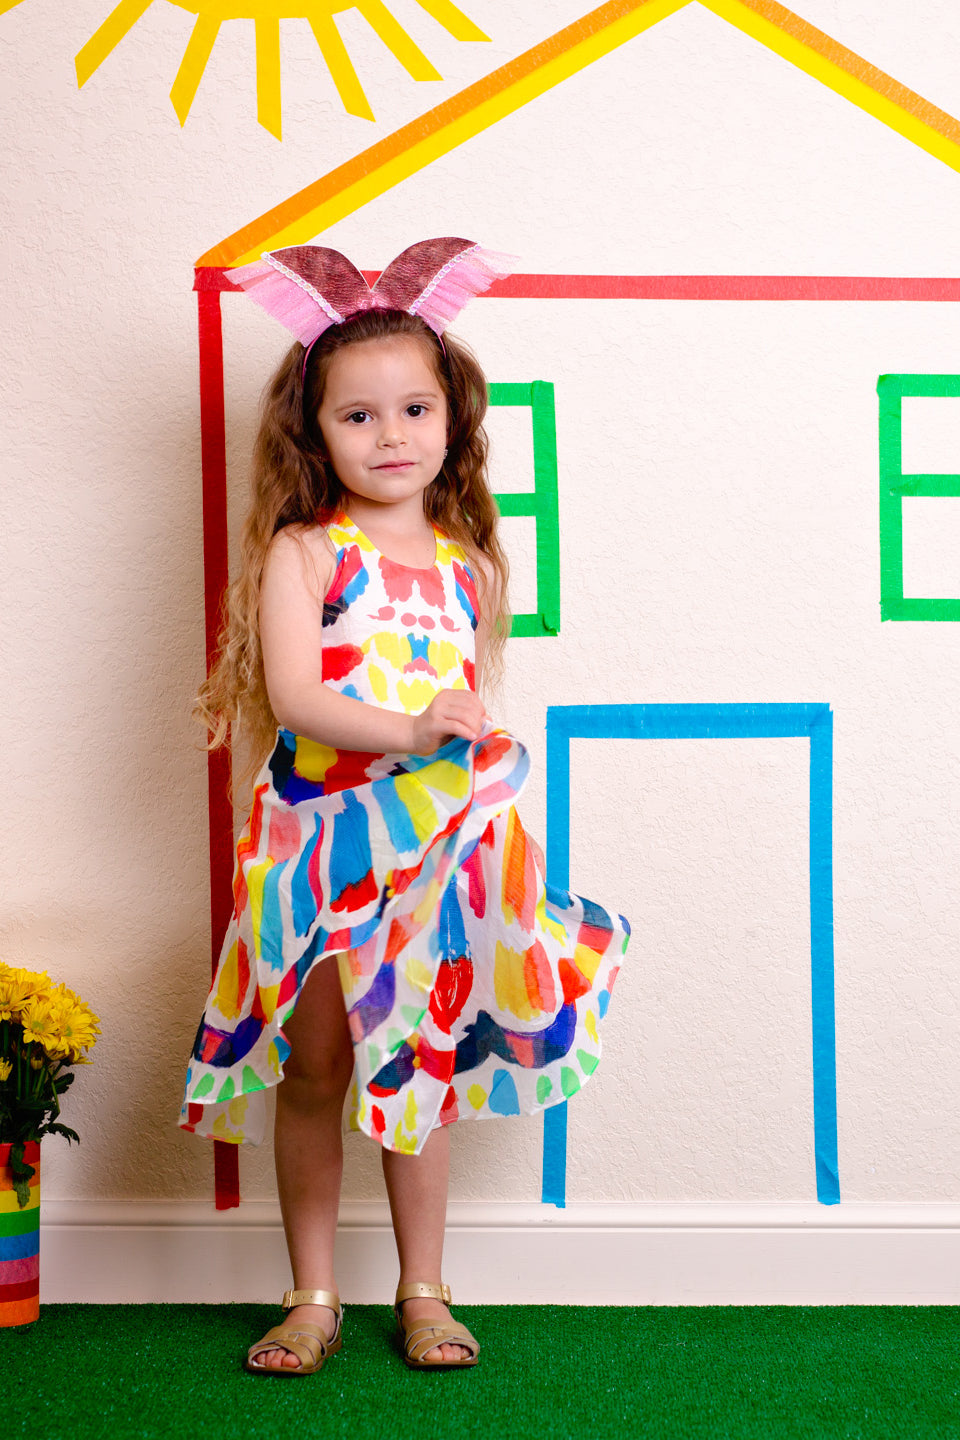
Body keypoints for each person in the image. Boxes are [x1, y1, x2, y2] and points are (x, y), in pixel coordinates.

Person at [180, 238, 630, 1376]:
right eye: (358, 416)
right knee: (322, 1064)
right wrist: (417, 729)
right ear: (313, 431)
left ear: (453, 419)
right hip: (323, 847)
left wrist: (465, 755)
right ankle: (312, 1293)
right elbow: (297, 697)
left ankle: (424, 1290)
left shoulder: (470, 561)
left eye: (415, 408)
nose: (391, 436)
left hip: (434, 856)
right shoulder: (305, 552)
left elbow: (469, 698)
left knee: (414, 1059)